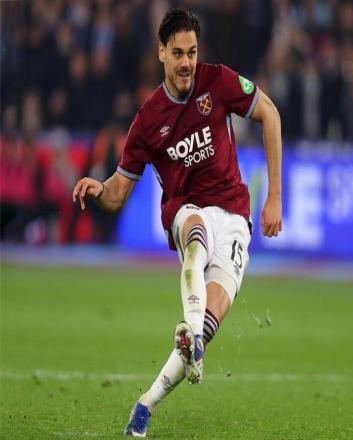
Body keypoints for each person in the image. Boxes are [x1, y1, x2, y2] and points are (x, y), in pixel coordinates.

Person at [72, 8, 282, 438]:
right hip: (187, 211)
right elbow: (118, 192)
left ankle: (146, 403)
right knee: (195, 233)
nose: (187, 62)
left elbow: (270, 114)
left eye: (192, 52)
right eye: (178, 53)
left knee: (207, 325)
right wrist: (99, 189)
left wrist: (275, 196)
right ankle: (193, 333)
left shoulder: (218, 81)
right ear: (161, 53)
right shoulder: (148, 120)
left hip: (235, 218)